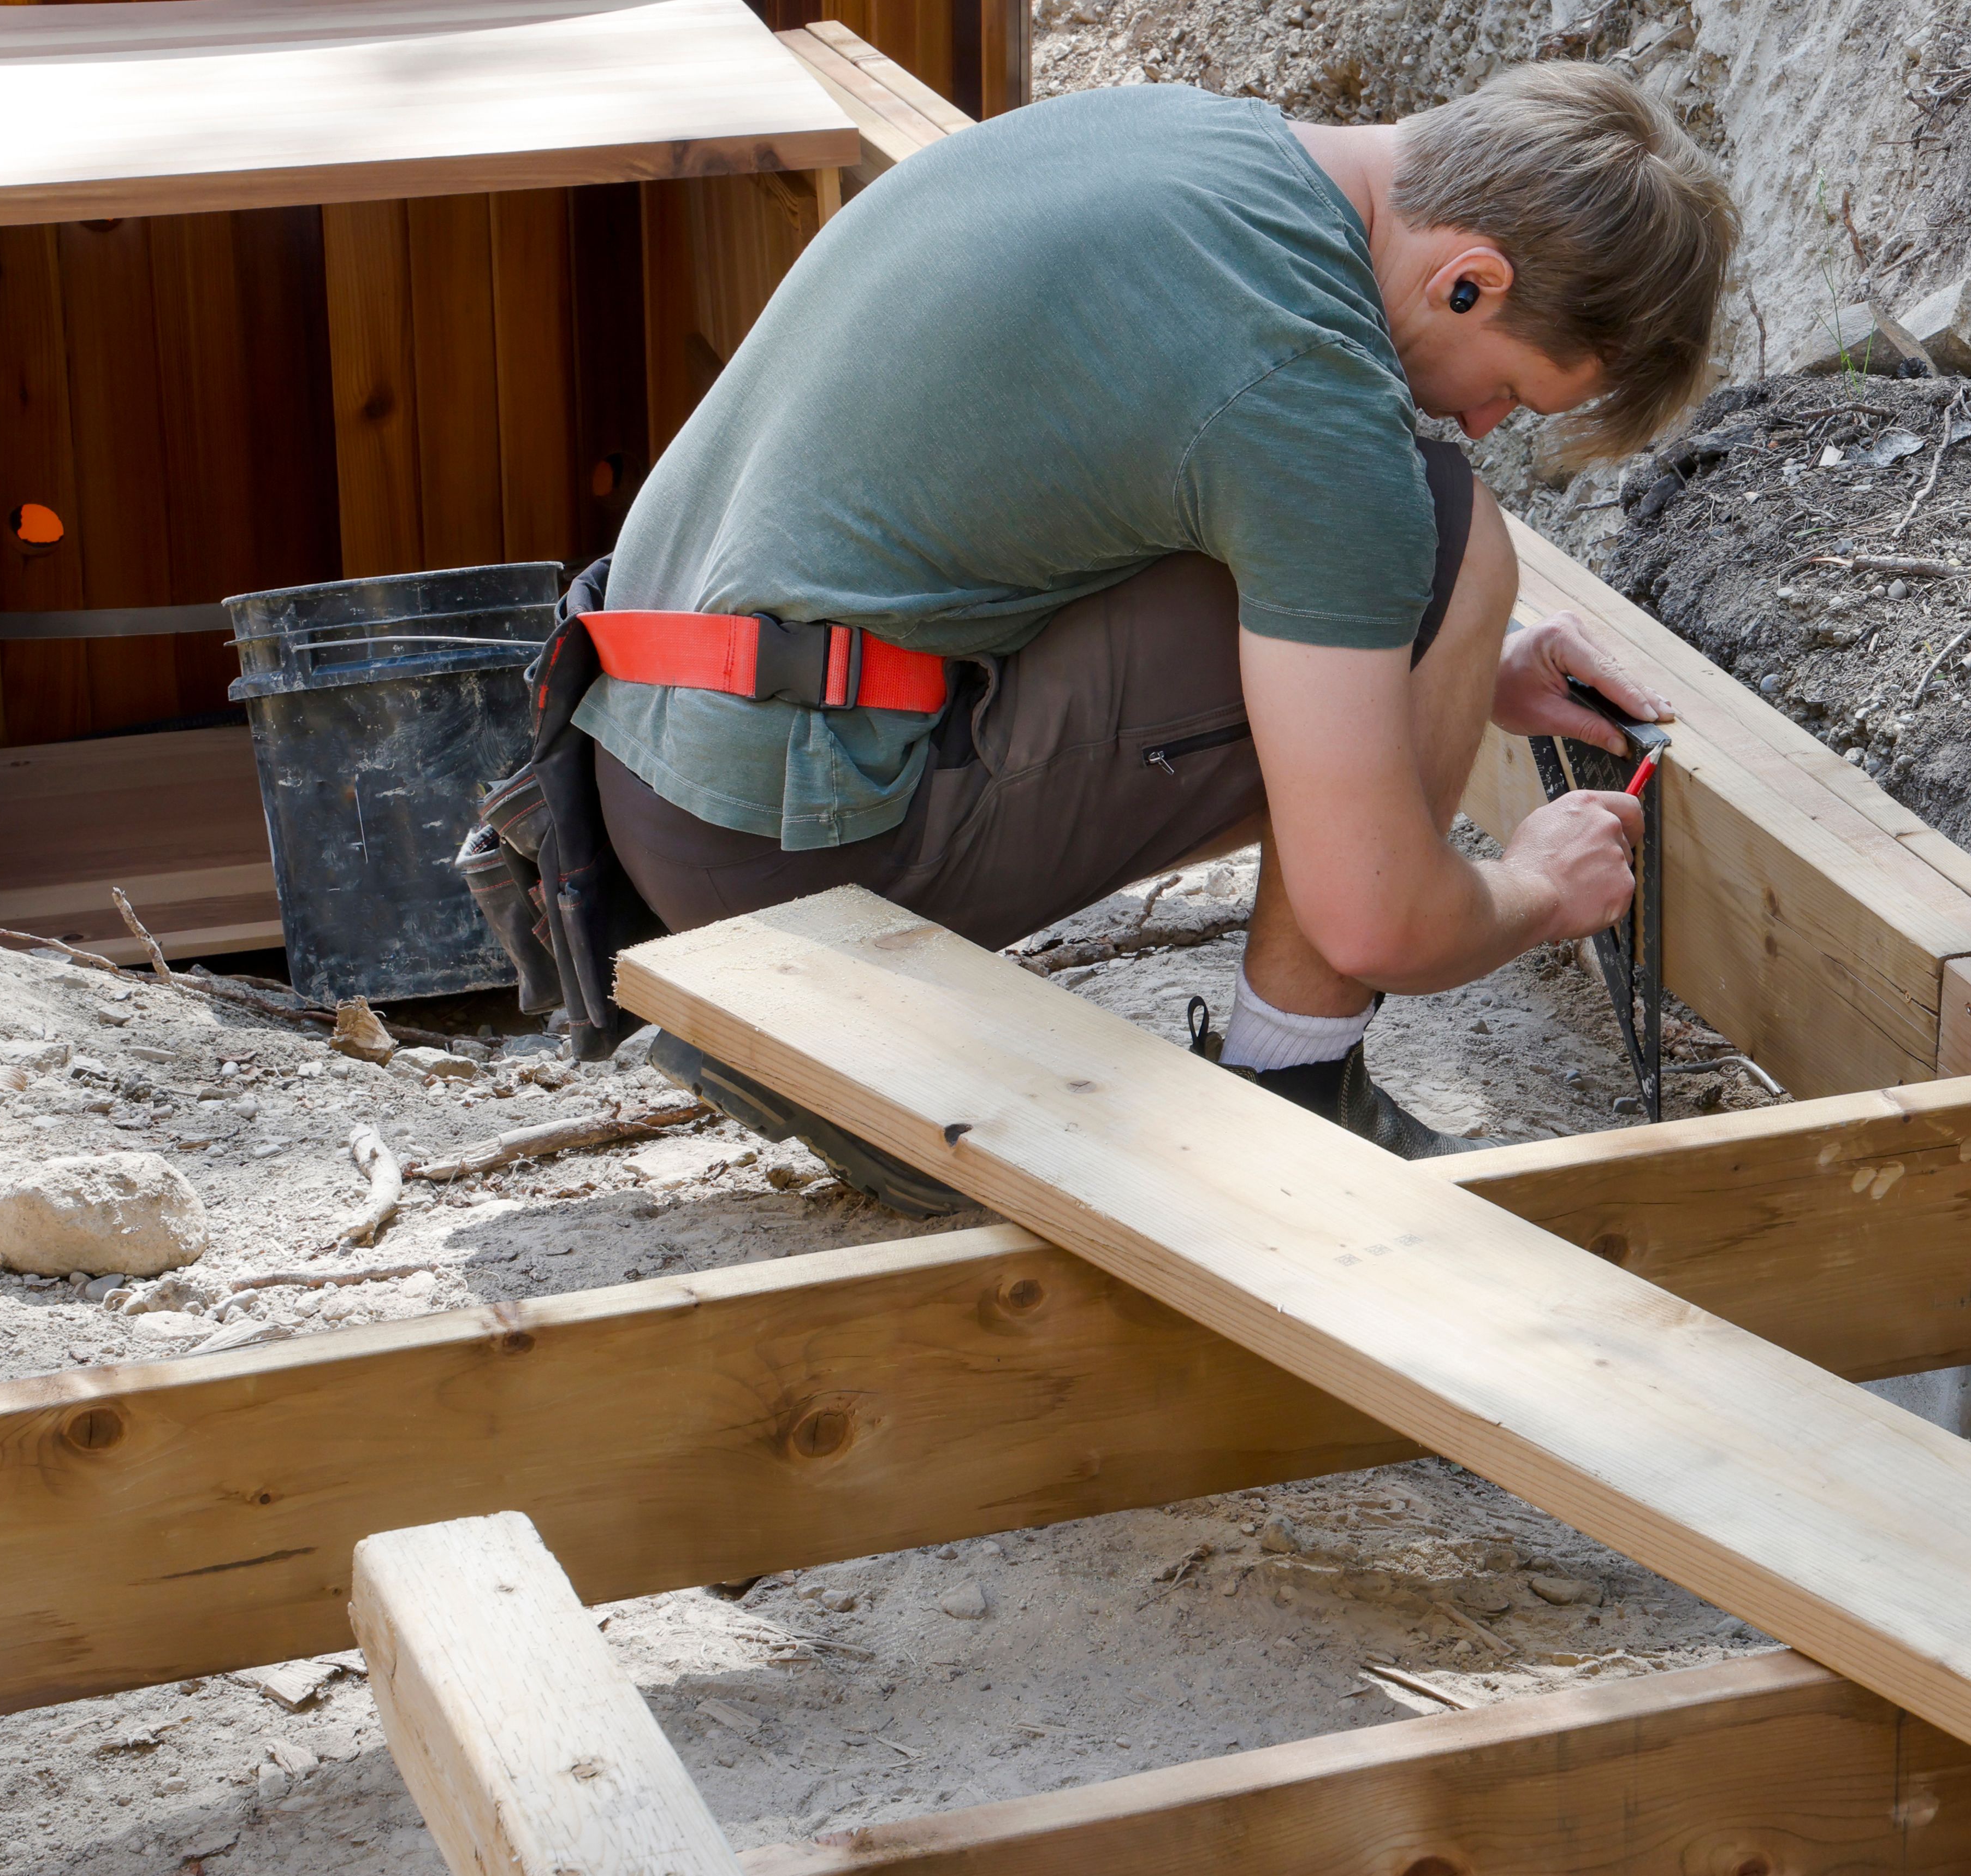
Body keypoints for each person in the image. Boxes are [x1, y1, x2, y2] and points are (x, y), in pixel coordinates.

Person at [569, 62, 1737, 1206]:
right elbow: (1378, 917)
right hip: (779, 853)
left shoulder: (1192, 143)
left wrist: (1470, 666)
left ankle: (813, 997)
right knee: (1450, 538)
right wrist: (1535, 883)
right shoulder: (1301, 374)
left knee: (1406, 565)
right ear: (1471, 281)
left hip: (654, 759)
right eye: (1513, 394)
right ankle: (1297, 1092)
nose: (1476, 419)